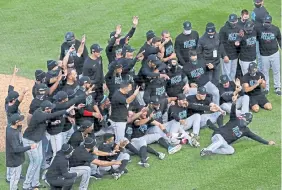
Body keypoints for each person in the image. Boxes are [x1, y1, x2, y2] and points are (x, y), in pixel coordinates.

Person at [22, 100, 75, 190]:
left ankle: (35, 183)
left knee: (39, 161)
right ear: (46, 109)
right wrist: (66, 111)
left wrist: (52, 123)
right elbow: (50, 116)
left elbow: (46, 121)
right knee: (34, 162)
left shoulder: (42, 112)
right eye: (50, 108)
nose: (51, 110)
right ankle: (26, 185)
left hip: (36, 140)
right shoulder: (39, 114)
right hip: (29, 141)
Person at [200, 102, 275, 157]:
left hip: (224, 143)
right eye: (244, 118)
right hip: (217, 136)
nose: (244, 120)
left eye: (246, 120)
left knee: (231, 150)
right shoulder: (234, 119)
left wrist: (267, 142)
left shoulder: (246, 131)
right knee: (220, 140)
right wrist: (234, 103)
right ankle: (206, 150)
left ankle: (211, 150)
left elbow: (255, 137)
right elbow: (233, 112)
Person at [6, 114, 37, 190]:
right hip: (15, 159)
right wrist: (30, 147)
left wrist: (19, 127)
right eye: (20, 120)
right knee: (15, 177)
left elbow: (18, 130)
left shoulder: (10, 128)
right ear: (16, 122)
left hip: (15, 157)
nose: (22, 121)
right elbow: (16, 149)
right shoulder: (12, 134)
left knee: (15, 176)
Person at [257, 15, 281, 95]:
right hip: (264, 55)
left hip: (274, 53)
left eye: (268, 22)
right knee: (265, 71)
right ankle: (266, 88)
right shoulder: (259, 29)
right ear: (264, 21)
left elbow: (279, 39)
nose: (267, 23)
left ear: (270, 22)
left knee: (276, 70)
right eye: (266, 22)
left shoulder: (275, 29)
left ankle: (277, 87)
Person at [219, 14, 240, 81]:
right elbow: (220, 44)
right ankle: (226, 89)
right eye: (231, 22)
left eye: (234, 21)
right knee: (226, 74)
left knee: (233, 73)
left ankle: (232, 87)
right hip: (227, 55)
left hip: (235, 55)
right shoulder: (223, 29)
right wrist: (224, 55)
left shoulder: (239, 28)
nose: (233, 23)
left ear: (237, 21)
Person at [251, 0, 269, 71]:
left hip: (259, 36)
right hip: (258, 35)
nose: (256, 3)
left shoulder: (261, 12)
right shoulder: (258, 10)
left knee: (259, 54)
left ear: (262, 2)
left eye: (258, 2)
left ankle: (261, 68)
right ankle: (262, 67)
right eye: (256, 2)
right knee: (259, 54)